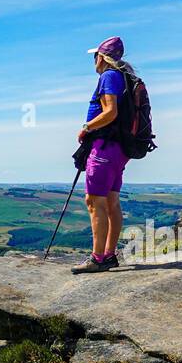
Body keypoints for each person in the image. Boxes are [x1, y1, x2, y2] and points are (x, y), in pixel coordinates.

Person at [72, 36, 132, 274]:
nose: (93, 61)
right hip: (119, 148)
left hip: (105, 147)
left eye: (95, 56)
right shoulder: (124, 77)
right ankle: (109, 255)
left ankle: (98, 258)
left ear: (102, 57)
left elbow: (110, 112)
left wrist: (86, 128)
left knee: (94, 201)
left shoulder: (108, 76)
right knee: (111, 200)